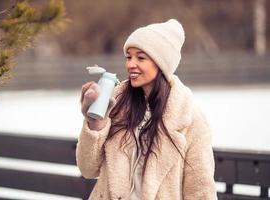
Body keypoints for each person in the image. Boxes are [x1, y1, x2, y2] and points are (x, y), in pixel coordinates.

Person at [76, 19, 217, 200]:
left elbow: (201, 192)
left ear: (161, 64)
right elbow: (88, 169)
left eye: (141, 58)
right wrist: (95, 123)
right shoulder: (115, 102)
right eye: (128, 57)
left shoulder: (190, 118)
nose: (130, 64)